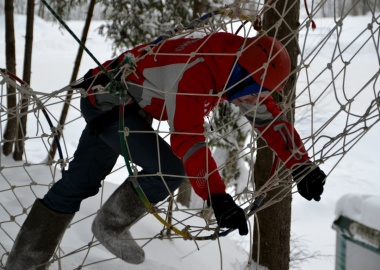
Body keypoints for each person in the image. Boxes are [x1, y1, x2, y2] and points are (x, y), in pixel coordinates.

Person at [5, 32, 326, 269]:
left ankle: (23, 264)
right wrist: (217, 196)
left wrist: (301, 166)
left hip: (128, 103)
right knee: (169, 169)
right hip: (107, 103)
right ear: (241, 76)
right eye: (253, 91)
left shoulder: (234, 61)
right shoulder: (198, 72)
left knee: (77, 184)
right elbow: (188, 138)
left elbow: (267, 116)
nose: (252, 100)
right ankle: (106, 226)